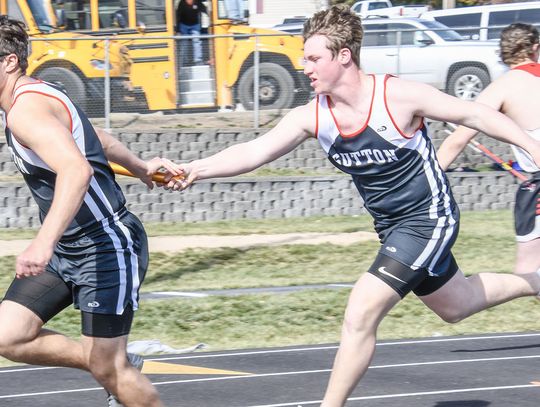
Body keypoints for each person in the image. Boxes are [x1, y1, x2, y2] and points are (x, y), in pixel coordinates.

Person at [161, 6, 540, 406]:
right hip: (393, 229)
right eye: (304, 58)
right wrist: (194, 169)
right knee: (457, 304)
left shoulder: (397, 96)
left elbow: (476, 113)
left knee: (360, 311)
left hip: (429, 220)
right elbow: (255, 151)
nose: (304, 66)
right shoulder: (314, 116)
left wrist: (533, 147)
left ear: (344, 56)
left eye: (313, 58)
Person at [0, 16, 171, 407]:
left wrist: (42, 244)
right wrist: (142, 166)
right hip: (70, 249)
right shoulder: (39, 95)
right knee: (8, 335)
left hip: (105, 244)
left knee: (108, 368)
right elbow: (98, 140)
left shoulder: (25, 110)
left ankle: (113, 366)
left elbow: (76, 169)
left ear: (9, 62)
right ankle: (114, 363)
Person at [437, 22, 540, 281]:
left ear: (503, 54)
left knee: (528, 276)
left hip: (537, 185)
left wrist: (424, 184)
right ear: (535, 49)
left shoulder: (502, 87)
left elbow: (457, 140)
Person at [176, 0, 207, 65]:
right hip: (184, 25)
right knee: (184, 43)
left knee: (197, 41)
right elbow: (178, 16)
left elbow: (204, 9)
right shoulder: (181, 3)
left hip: (195, 25)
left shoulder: (197, 2)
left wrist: (208, 16)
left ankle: (198, 60)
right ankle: (184, 61)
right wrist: (178, 30)